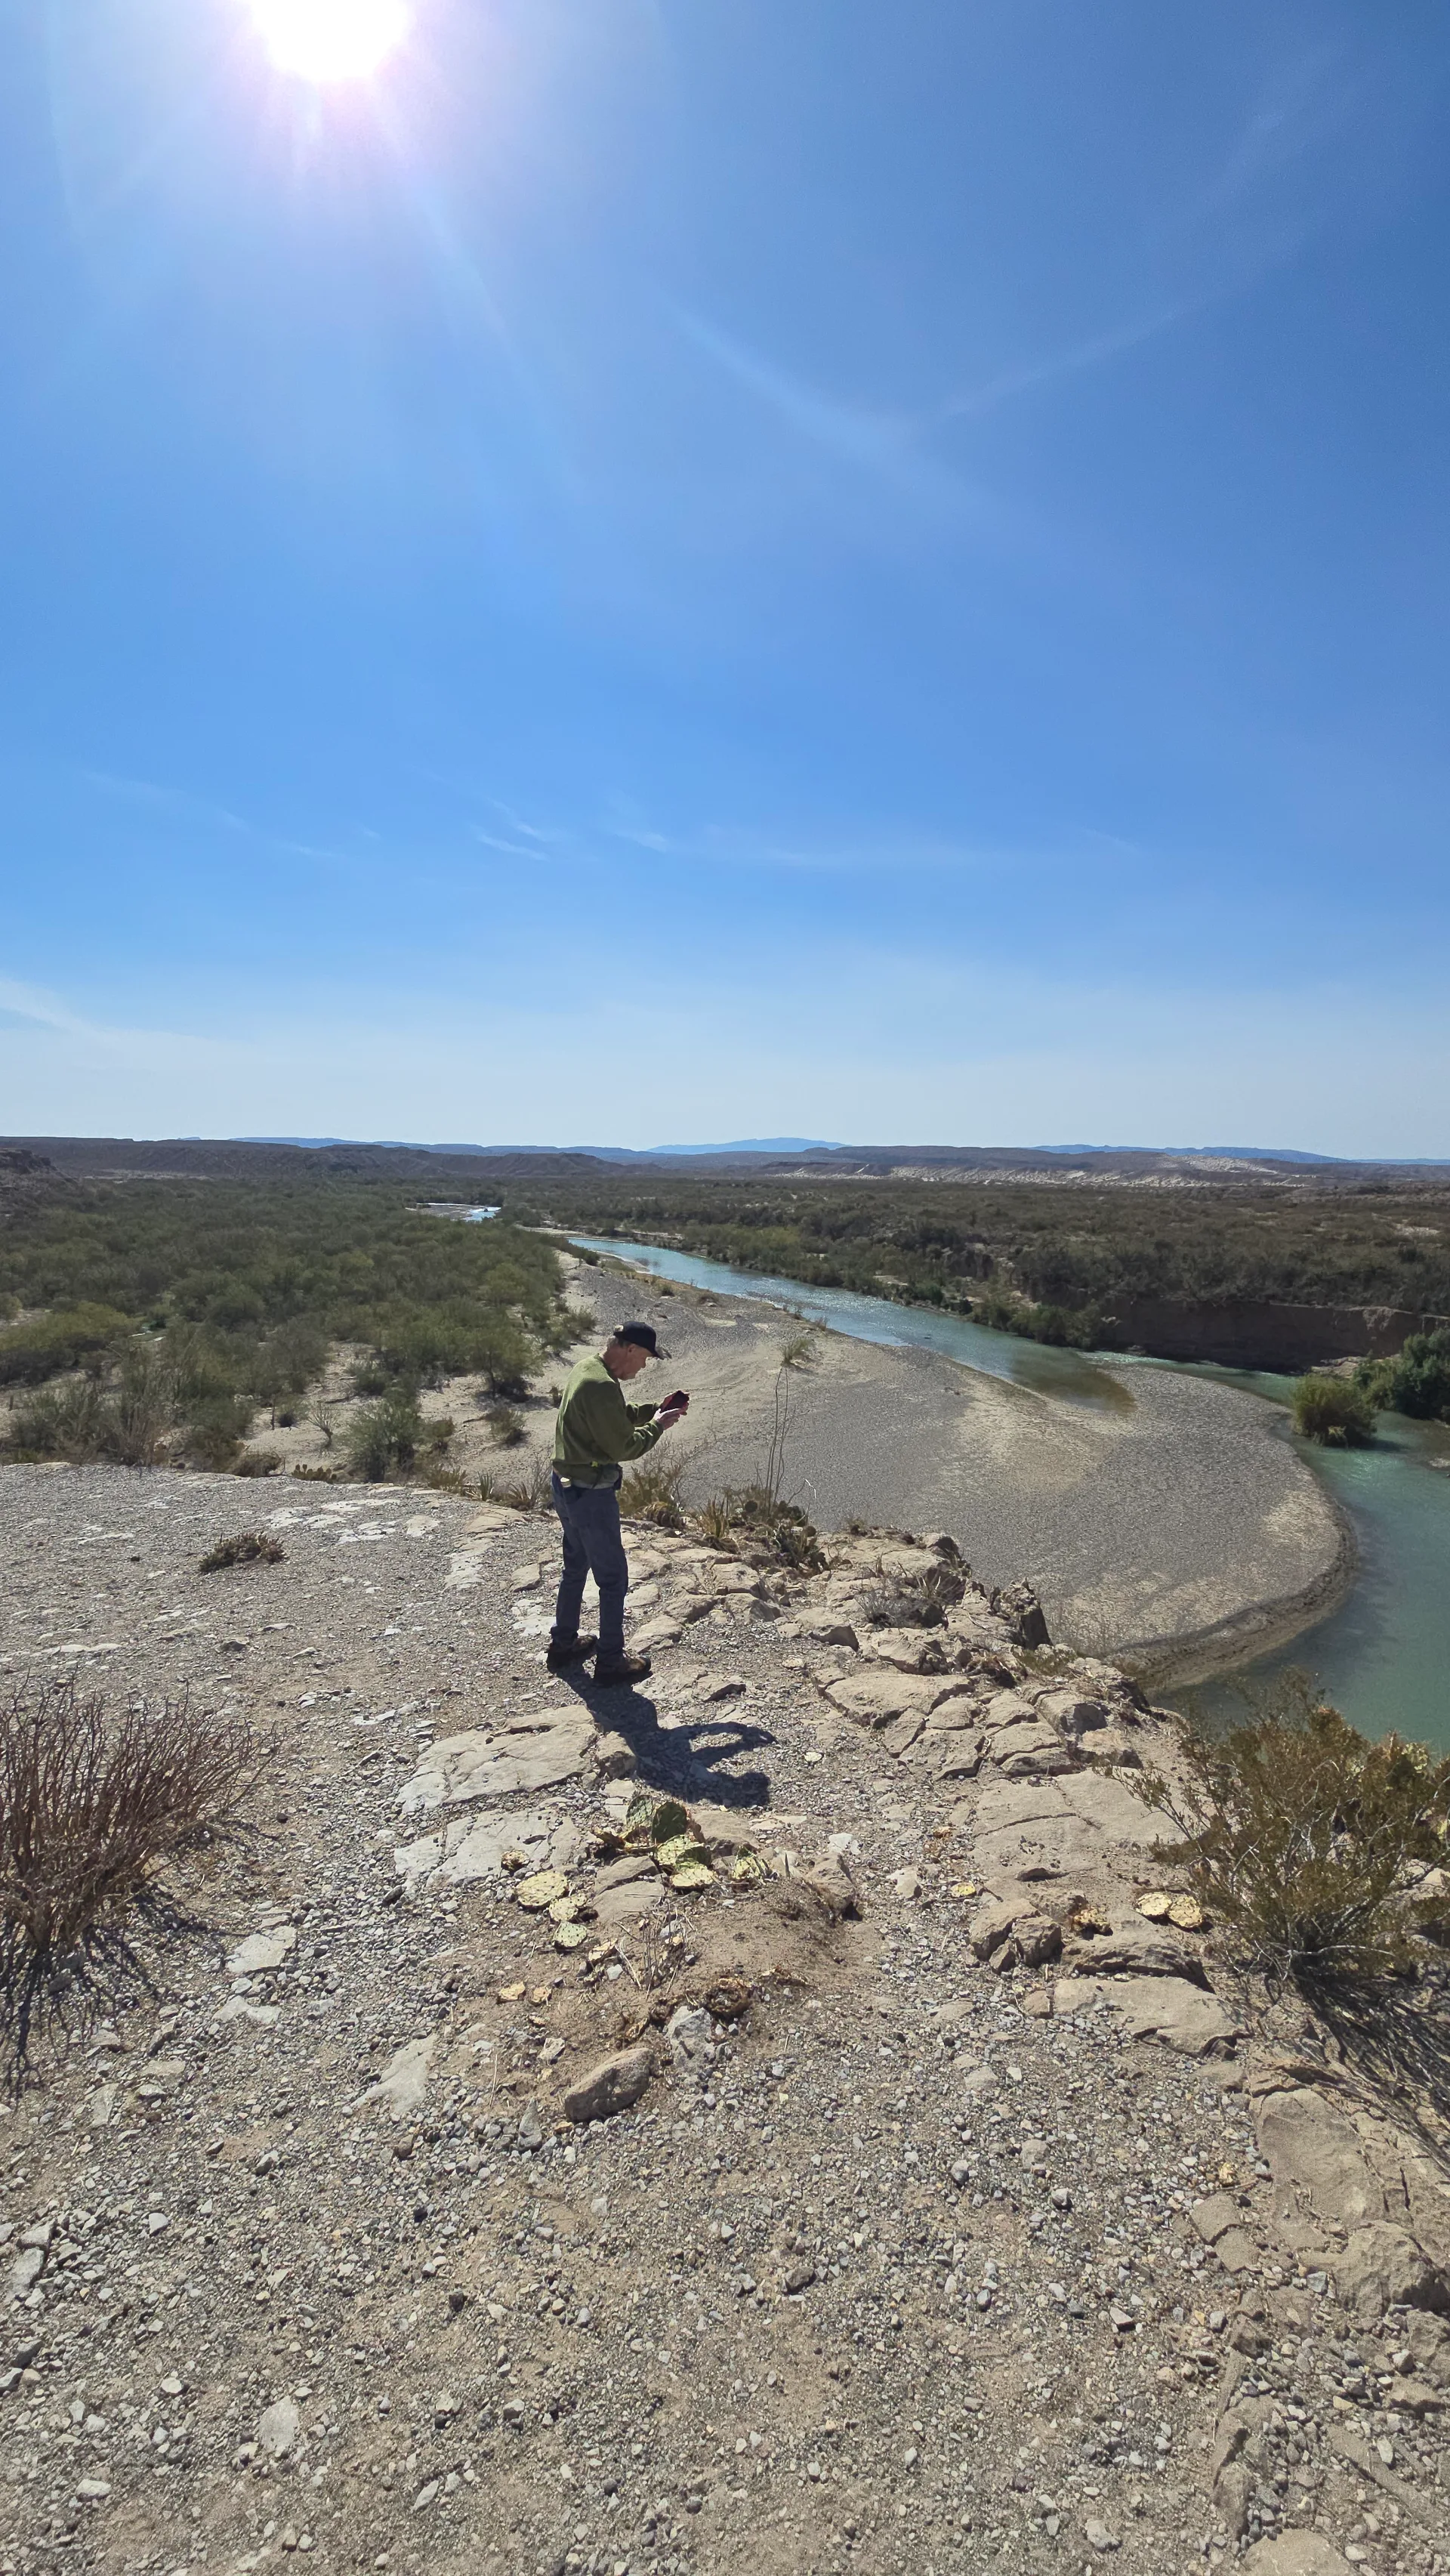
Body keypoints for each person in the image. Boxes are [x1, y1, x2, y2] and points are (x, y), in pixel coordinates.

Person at [548, 1321, 689, 1685]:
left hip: (565, 1486)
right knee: (612, 1580)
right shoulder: (601, 1385)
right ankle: (610, 1661)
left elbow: (610, 1419)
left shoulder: (588, 1368)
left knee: (575, 1567)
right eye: (643, 1359)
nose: (642, 1367)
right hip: (590, 1494)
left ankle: (563, 1643)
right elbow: (623, 1447)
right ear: (629, 1349)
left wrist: (652, 1411)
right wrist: (658, 1427)